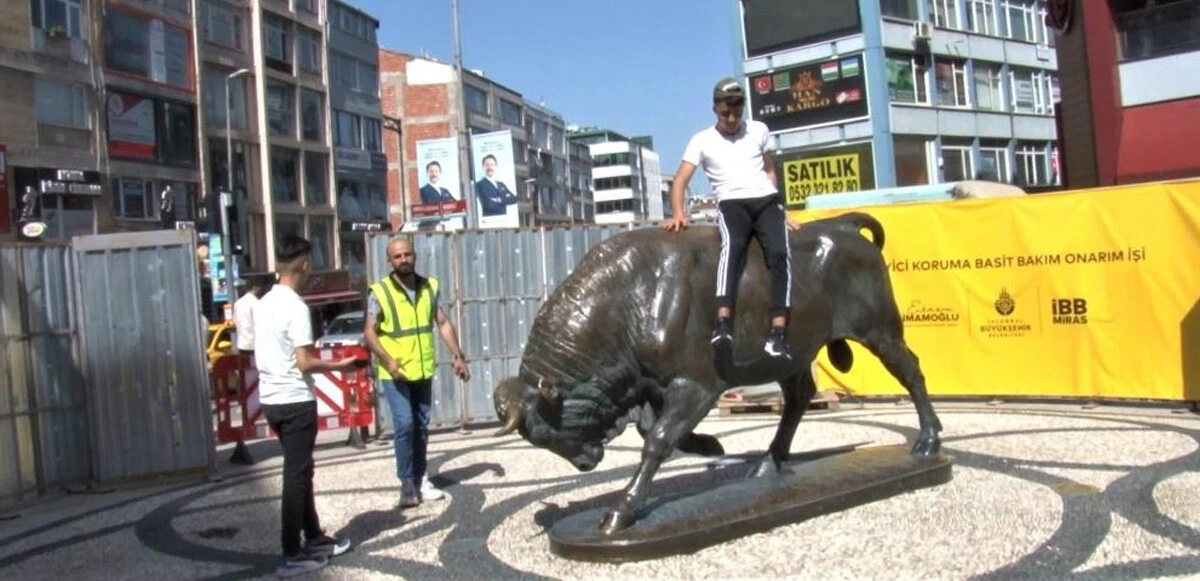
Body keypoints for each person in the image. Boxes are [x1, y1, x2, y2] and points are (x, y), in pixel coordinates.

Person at [662, 77, 796, 359]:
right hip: (732, 204)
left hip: (766, 202)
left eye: (737, 112)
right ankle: (723, 323)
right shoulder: (702, 140)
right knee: (732, 248)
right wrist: (678, 213)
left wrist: (780, 210)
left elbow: (770, 170)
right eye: (726, 113)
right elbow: (680, 181)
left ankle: (778, 334)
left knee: (780, 254)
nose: (732, 118)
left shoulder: (759, 130)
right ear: (715, 110)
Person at [253, 235, 356, 577]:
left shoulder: (262, 303)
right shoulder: (296, 307)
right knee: (296, 477)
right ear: (304, 265)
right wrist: (340, 366)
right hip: (296, 400)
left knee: (302, 470)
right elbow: (304, 362)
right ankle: (290, 552)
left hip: (271, 400)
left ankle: (313, 536)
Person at [363, 236, 470, 508]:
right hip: (396, 372)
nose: (403, 260)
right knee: (405, 424)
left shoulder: (428, 287)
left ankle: (421, 478)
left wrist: (457, 356)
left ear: (415, 256)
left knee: (421, 427)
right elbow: (369, 333)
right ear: (390, 260)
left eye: (407, 254)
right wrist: (387, 360)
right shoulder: (380, 292)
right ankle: (407, 482)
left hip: (422, 369)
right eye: (397, 256)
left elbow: (443, 323)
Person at [233, 275, 266, 355]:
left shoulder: (238, 303)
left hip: (242, 343)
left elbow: (235, 321)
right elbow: (260, 324)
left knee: (244, 366)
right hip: (254, 344)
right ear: (255, 287)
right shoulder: (257, 303)